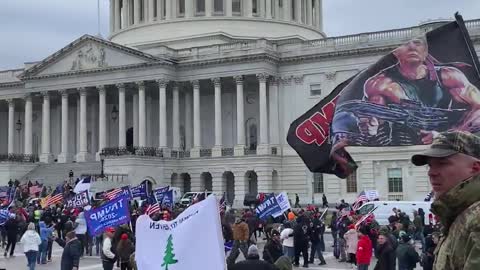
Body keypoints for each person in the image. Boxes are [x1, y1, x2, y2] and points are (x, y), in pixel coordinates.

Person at [360, 38, 480, 145]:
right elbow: (374, 121)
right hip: (404, 149)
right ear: (395, 52)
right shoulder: (379, 84)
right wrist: (371, 127)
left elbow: (478, 108)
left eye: (417, 43)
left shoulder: (450, 76)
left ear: (426, 51)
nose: (412, 47)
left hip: (445, 143)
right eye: (405, 43)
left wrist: (447, 136)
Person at [411, 131, 480, 269]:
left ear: (475, 167)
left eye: (442, 163)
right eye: (430, 165)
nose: (431, 172)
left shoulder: (476, 221)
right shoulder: (458, 215)